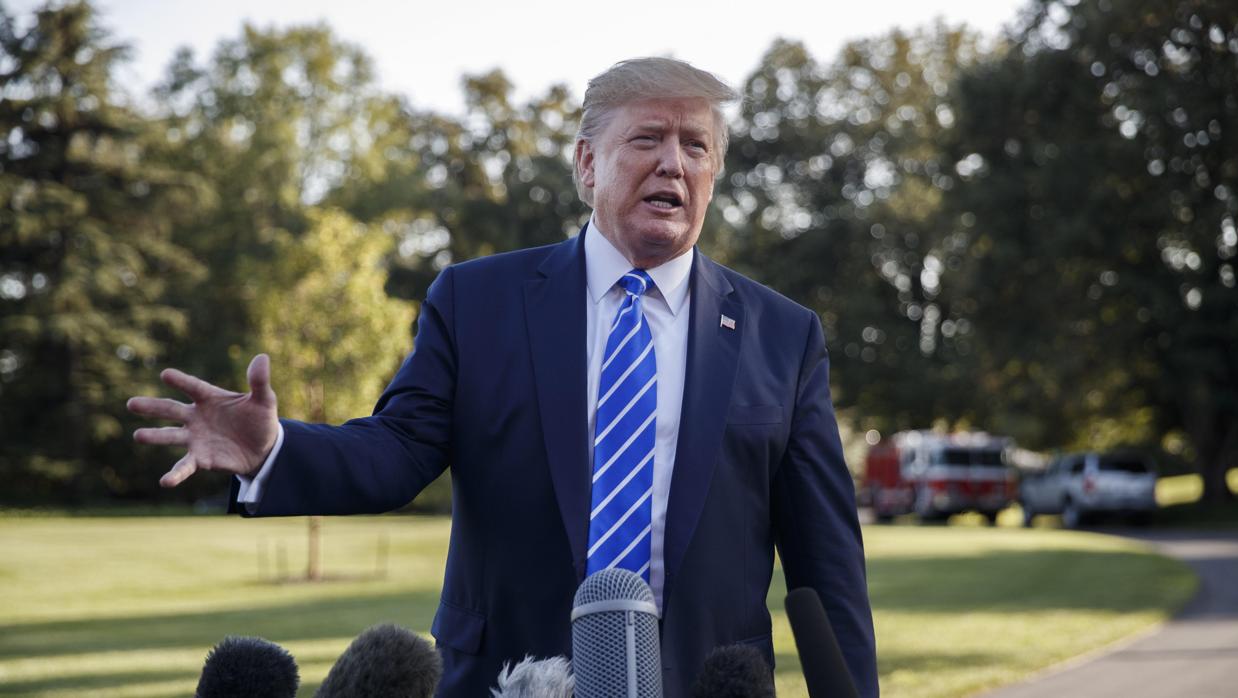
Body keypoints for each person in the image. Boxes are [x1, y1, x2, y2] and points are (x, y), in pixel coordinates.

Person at [128, 57, 878, 697]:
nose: (673, 163)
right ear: (587, 163)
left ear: (714, 172)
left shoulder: (783, 334)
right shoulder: (477, 301)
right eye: (647, 138)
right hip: (504, 677)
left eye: (696, 145)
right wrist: (276, 451)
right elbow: (396, 453)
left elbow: (827, 565)